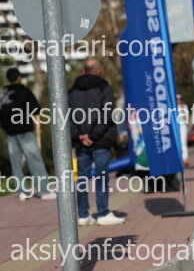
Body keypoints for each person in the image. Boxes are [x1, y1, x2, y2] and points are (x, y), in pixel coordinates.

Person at [69, 59, 124, 226]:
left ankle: (83, 215)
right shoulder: (104, 88)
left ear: (83, 71)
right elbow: (107, 114)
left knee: (82, 178)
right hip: (100, 140)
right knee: (101, 177)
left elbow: (66, 117)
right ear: (99, 71)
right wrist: (92, 136)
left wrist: (80, 136)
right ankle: (102, 212)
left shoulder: (71, 91)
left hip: (80, 142)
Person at [0, 68, 56, 201]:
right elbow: (36, 108)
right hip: (25, 131)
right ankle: (44, 190)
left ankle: (22, 191)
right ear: (19, 78)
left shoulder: (3, 95)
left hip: (10, 133)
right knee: (34, 160)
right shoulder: (24, 91)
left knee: (15, 163)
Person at [177, 94, 190, 167]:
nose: (178, 100)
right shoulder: (172, 106)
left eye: (180, 99)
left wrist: (182, 110)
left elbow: (187, 119)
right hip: (176, 127)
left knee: (183, 143)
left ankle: (185, 159)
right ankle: (178, 159)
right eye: (177, 99)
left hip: (182, 126)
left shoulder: (184, 106)